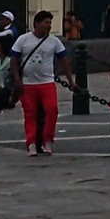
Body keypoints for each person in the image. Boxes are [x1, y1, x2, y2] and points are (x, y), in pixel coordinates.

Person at [14, 12, 67, 157]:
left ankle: (48, 140)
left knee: (52, 110)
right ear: (36, 23)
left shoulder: (54, 41)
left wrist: (71, 80)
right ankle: (31, 143)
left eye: (50, 23)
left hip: (47, 83)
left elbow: (64, 58)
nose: (49, 26)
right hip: (28, 84)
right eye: (46, 23)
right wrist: (17, 79)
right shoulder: (23, 40)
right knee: (30, 114)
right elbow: (14, 58)